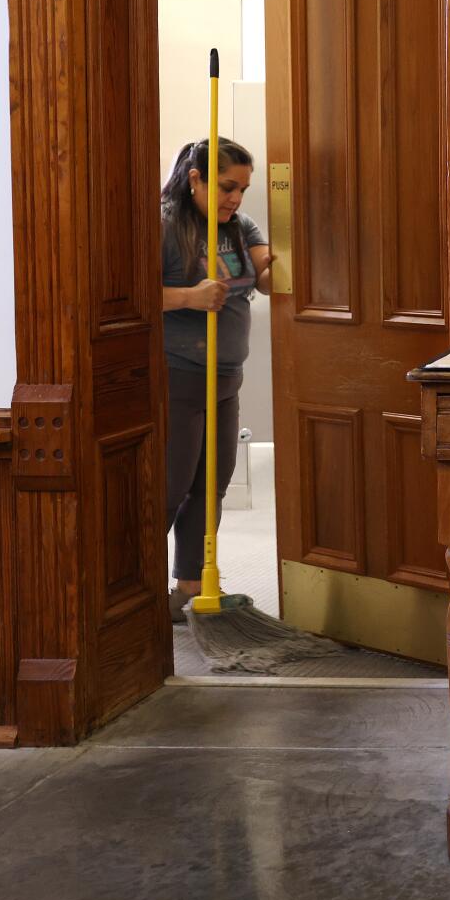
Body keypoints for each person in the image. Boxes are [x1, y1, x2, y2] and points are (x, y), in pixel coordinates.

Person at [160, 138, 273, 620]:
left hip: (227, 377)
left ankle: (190, 587)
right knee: (170, 487)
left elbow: (266, 276)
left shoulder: (239, 226)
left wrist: (277, 262)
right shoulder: (165, 225)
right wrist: (188, 297)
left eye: (243, 189)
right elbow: (128, 295)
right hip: (178, 375)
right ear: (195, 179)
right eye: (227, 187)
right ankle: (132, 594)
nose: (236, 199)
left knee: (212, 485)